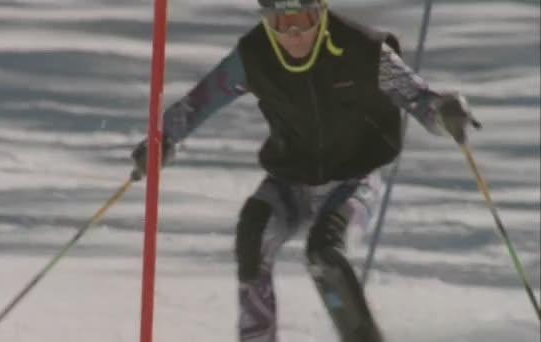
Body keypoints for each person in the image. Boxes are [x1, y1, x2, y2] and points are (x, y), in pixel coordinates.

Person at [131, 0, 480, 341]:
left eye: (304, 20)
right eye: (281, 23)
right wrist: (164, 138)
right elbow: (198, 103)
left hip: (354, 180)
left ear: (321, 13)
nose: (294, 33)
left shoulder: (363, 50)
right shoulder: (253, 55)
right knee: (253, 235)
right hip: (290, 180)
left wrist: (443, 111)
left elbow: (419, 99)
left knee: (325, 254)